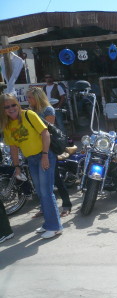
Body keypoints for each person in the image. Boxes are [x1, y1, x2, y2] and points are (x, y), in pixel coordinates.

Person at [0, 93, 63, 239]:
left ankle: (55, 227)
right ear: (2, 110)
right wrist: (16, 166)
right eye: (6, 107)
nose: (11, 108)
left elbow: (45, 134)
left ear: (18, 104)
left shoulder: (29, 114)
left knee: (46, 192)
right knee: (40, 192)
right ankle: (49, 223)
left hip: (44, 155)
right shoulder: (8, 125)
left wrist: (45, 155)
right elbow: (13, 147)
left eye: (13, 104)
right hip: (31, 160)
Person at [26, 87, 72, 218]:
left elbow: (47, 129)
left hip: (48, 148)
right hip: (34, 148)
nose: (28, 100)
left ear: (37, 98)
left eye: (30, 97)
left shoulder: (48, 110)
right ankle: (44, 207)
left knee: (55, 178)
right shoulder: (30, 111)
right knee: (39, 183)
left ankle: (67, 204)